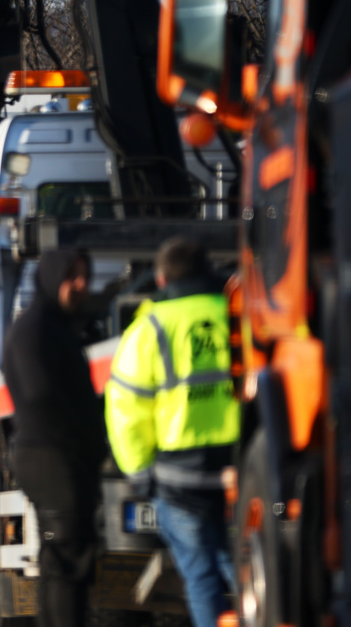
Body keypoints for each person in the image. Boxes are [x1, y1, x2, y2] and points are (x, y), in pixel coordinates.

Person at [105, 236, 239, 627]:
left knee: (200, 578)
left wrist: (140, 472)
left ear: (161, 280)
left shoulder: (148, 330)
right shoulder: (235, 312)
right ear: (209, 272)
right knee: (247, 571)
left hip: (179, 480)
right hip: (238, 470)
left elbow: (126, 409)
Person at [2, 248, 105, 627]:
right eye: (71, 276)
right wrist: (82, 443)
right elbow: (41, 396)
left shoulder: (57, 327)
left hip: (60, 458)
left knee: (60, 560)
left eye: (85, 275)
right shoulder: (36, 329)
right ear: (50, 277)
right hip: (52, 458)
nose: (81, 285)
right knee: (68, 561)